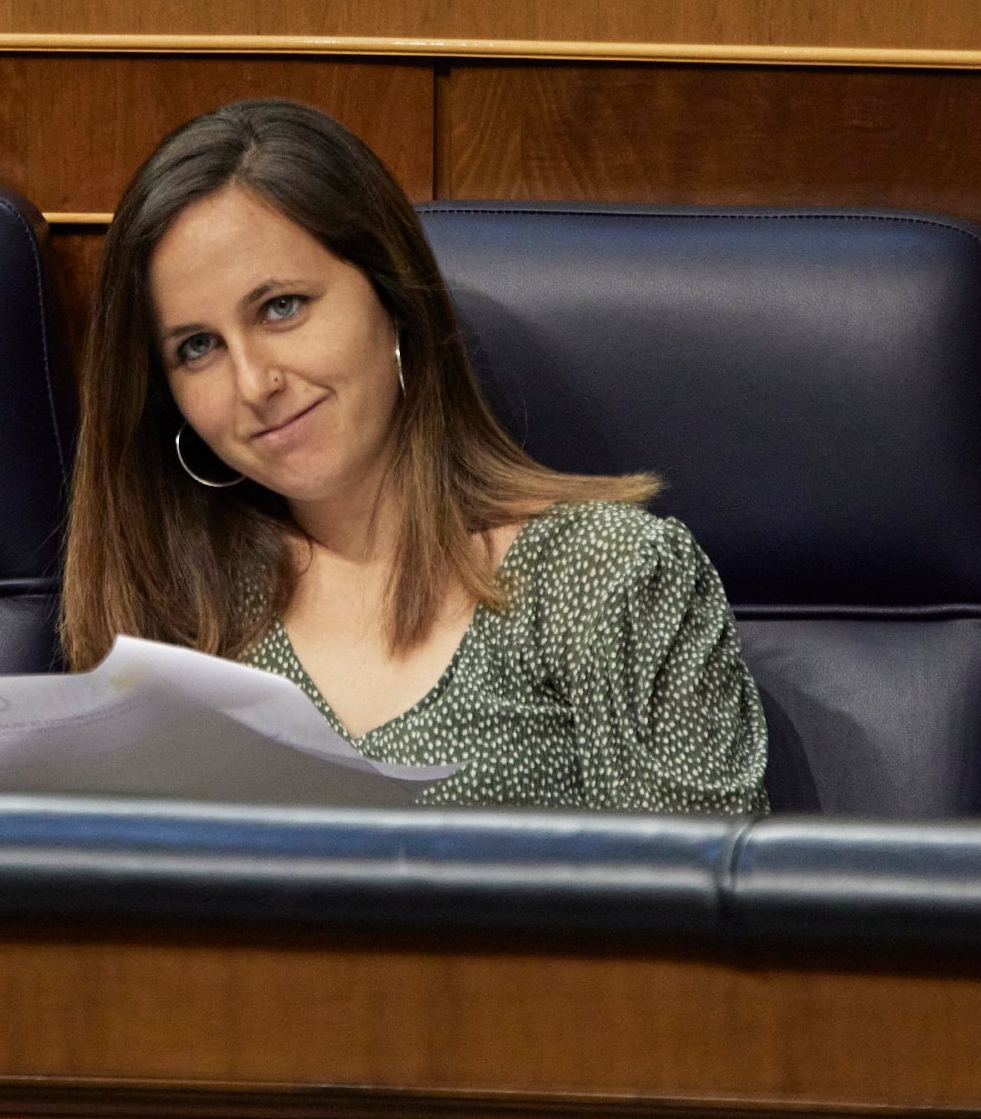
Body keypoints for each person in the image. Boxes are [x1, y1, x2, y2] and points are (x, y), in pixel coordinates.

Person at [63, 99, 767, 813]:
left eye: (281, 307)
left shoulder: (606, 578)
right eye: (197, 347)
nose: (254, 384)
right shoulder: (179, 613)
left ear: (393, 296)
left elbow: (700, 911)